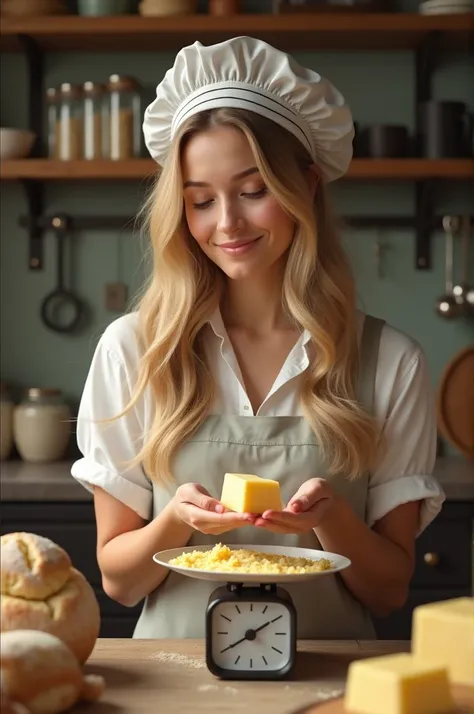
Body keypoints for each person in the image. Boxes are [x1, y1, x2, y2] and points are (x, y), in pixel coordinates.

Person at [71, 36, 445, 640]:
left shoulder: (390, 361)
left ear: (308, 185)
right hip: (173, 688)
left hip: (331, 689)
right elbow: (120, 581)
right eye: (200, 201)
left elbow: (387, 590)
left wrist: (336, 521)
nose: (227, 224)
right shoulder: (136, 350)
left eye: (253, 191)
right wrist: (174, 521)